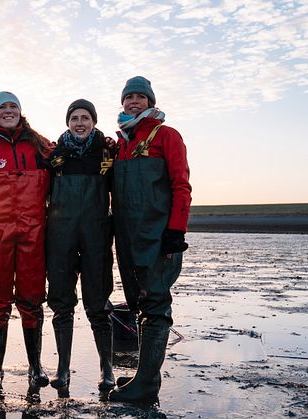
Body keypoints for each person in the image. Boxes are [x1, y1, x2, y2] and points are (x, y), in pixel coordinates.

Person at [108, 76, 192, 403]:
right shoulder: (122, 144)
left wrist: (176, 231)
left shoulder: (166, 136)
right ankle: (145, 374)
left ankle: (146, 385)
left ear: (150, 102)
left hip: (158, 239)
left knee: (155, 305)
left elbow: (181, 186)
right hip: (128, 240)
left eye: (140, 97)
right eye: (128, 97)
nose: (133, 102)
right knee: (138, 304)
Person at [0, 92, 52, 387]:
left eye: (13, 106)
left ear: (21, 111)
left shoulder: (40, 145)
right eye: (2, 107)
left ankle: (36, 366)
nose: (8, 111)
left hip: (33, 233)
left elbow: (65, 163)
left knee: (32, 299)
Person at [46, 99, 116, 393]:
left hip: (96, 236)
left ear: (94, 122)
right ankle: (63, 368)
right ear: (67, 122)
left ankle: (107, 368)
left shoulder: (109, 152)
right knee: (61, 304)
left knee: (98, 304)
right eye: (74, 118)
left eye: (85, 117)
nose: (79, 123)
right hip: (60, 237)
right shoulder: (54, 154)